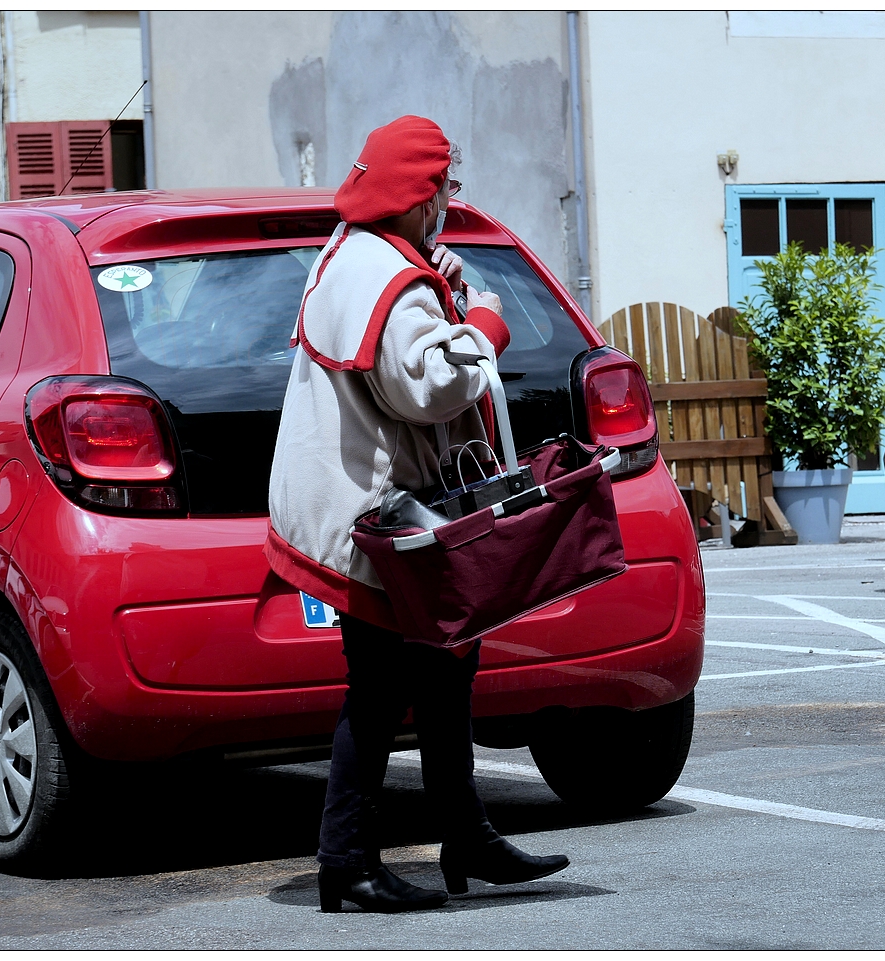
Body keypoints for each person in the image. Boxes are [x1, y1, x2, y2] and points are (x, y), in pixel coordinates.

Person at [266, 115, 569, 913]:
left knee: (445, 663)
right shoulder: (388, 279)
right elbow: (429, 386)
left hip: (368, 504)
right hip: (377, 516)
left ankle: (463, 835)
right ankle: (349, 866)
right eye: (444, 189)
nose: (447, 205)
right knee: (381, 684)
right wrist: (485, 321)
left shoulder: (356, 254)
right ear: (421, 193)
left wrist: (439, 286)